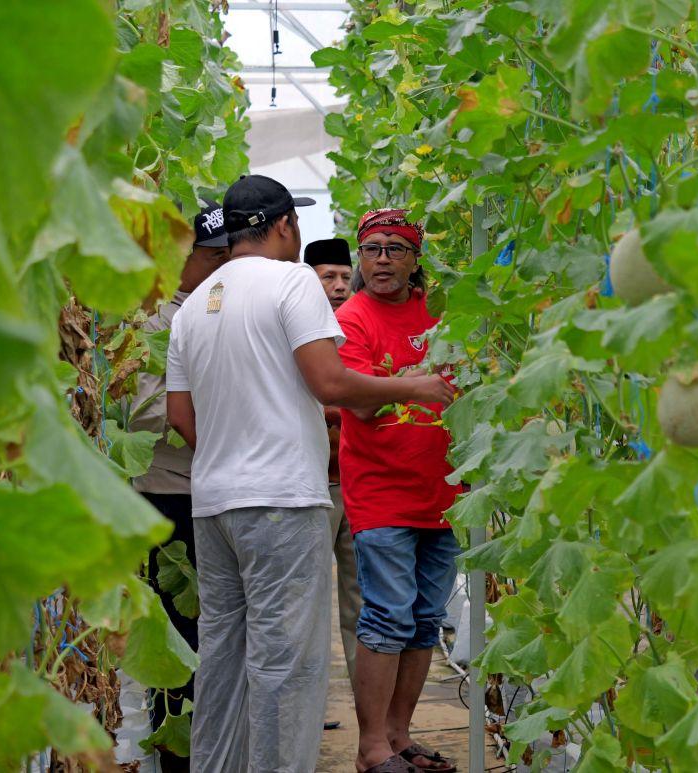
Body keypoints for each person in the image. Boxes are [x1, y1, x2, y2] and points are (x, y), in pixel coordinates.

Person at [166, 176, 455, 773]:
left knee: (223, 655)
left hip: (214, 501)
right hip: (279, 500)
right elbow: (330, 383)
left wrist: (226, 450)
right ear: (283, 226)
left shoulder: (195, 303)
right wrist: (416, 385)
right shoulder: (291, 280)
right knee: (286, 664)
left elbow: (179, 414)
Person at [337, 209, 461, 773]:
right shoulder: (350, 318)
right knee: (387, 616)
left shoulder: (440, 314)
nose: (382, 259)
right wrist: (422, 384)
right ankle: (370, 749)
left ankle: (399, 736)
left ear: (415, 259)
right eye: (372, 249)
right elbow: (356, 400)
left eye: (395, 248)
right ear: (360, 258)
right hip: (381, 492)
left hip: (445, 492)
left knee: (426, 619)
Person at [130, 202, 229, 773]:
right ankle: (176, 751)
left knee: (210, 628)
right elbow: (143, 417)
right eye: (211, 257)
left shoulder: (211, 306)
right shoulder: (154, 318)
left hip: (211, 487)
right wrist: (216, 424)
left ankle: (204, 746)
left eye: (225, 257)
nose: (219, 268)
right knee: (178, 629)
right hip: (168, 490)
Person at [304, 237, 363, 699]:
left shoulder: (358, 327)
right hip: (312, 486)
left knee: (361, 606)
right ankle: (309, 706)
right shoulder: (299, 326)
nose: (340, 286)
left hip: (356, 485)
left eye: (345, 277)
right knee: (306, 604)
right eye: (329, 277)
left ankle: (371, 711)